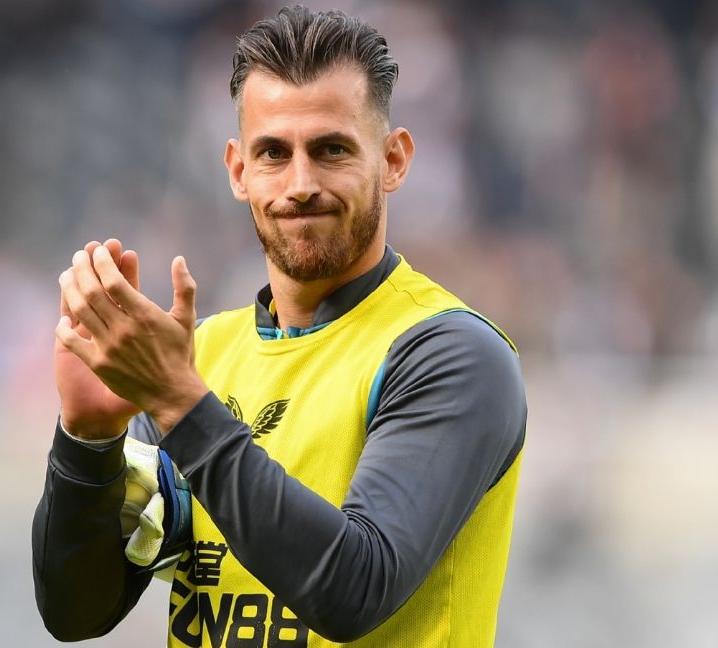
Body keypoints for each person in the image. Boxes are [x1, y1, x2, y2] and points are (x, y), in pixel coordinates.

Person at [32, 5, 526, 646]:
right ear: (238, 171)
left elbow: (354, 590)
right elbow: (76, 614)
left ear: (394, 160)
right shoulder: (201, 355)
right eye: (273, 153)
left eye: (331, 150)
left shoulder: (452, 353)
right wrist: (89, 440)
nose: (301, 184)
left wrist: (180, 403)